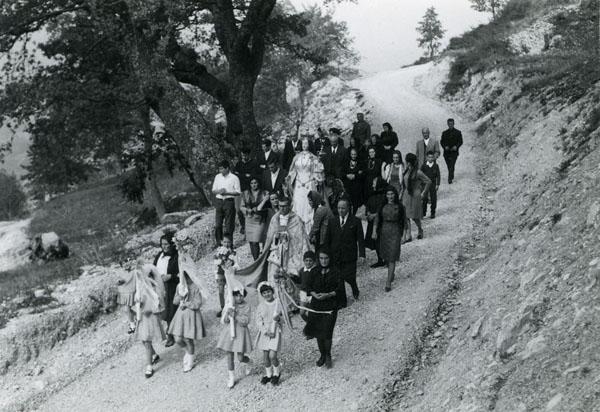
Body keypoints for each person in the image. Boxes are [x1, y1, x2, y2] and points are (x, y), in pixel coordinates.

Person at [303, 250, 342, 369]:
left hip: (330, 306)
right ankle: (322, 355)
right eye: (321, 258)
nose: (324, 261)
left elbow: (340, 289)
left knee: (328, 331)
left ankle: (328, 355)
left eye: (326, 258)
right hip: (316, 306)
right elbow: (308, 286)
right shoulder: (314, 271)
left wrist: (328, 295)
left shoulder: (336, 271)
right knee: (318, 332)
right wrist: (314, 295)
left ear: (330, 258)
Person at [168, 258, 207, 373]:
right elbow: (175, 301)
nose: (186, 278)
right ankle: (188, 352)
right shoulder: (180, 286)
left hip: (191, 314)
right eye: (184, 276)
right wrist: (180, 297)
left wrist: (187, 303)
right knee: (178, 338)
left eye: (187, 276)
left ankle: (190, 359)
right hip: (181, 314)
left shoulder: (195, 287)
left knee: (188, 339)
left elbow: (198, 303)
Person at [326, 198, 365, 305]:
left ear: (348, 208)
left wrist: (362, 254)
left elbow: (360, 239)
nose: (340, 210)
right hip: (336, 255)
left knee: (349, 276)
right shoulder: (332, 221)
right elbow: (327, 239)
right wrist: (327, 254)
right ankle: (342, 302)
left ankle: (354, 286)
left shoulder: (355, 221)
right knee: (339, 279)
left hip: (350, 255)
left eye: (343, 208)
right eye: (339, 208)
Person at [216, 287, 252, 388]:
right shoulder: (230, 305)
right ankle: (231, 377)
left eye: (241, 295)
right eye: (236, 295)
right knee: (230, 356)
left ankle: (248, 361)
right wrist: (228, 313)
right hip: (229, 333)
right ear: (233, 296)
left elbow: (245, 321)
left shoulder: (246, 306)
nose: (239, 298)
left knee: (240, 358)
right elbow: (224, 321)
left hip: (240, 333)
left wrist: (235, 315)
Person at [287, 137, 325, 234]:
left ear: (309, 145)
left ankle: (309, 232)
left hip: (309, 183)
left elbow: (318, 171)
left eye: (306, 144)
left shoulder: (313, 157)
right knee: (298, 205)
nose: (304, 146)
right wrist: (289, 179)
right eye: (303, 144)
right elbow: (292, 171)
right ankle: (297, 231)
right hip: (299, 185)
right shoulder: (296, 157)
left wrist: (317, 178)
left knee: (309, 206)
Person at [134, 264, 166, 378]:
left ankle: (149, 366)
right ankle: (154, 355)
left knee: (147, 341)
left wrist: (148, 309)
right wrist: (138, 303)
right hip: (142, 317)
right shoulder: (140, 288)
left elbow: (156, 301)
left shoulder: (152, 287)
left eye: (140, 275)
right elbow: (138, 300)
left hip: (149, 316)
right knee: (144, 340)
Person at [372, 187, 406, 292]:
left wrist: (404, 235)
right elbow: (377, 219)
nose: (390, 196)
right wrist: (374, 231)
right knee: (386, 255)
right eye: (388, 194)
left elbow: (404, 221)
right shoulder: (382, 206)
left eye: (392, 194)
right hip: (384, 231)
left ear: (395, 195)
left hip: (395, 231)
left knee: (392, 256)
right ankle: (391, 272)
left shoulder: (400, 206)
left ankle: (388, 282)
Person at [255, 282, 283, 386]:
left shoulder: (278, 303)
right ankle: (269, 374)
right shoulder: (261, 306)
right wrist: (266, 332)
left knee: (272, 355)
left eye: (268, 292)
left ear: (272, 292)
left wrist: (279, 318)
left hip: (275, 331)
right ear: (262, 295)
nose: (267, 294)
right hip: (265, 332)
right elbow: (258, 321)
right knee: (265, 356)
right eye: (264, 293)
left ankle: (277, 373)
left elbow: (285, 317)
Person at [153, 234, 179, 347]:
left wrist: (171, 276)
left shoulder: (176, 256)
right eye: (162, 244)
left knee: (173, 309)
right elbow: (153, 268)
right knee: (165, 310)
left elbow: (182, 273)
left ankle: (172, 335)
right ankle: (172, 333)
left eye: (166, 244)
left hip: (173, 286)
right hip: (161, 287)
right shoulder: (159, 255)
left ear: (171, 244)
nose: (164, 246)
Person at [402, 153, 432, 241]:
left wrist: (424, 193)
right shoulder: (406, 170)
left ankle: (420, 229)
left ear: (409, 162)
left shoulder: (418, 172)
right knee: (406, 216)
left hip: (415, 194)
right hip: (407, 194)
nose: (405, 162)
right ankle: (409, 235)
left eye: (406, 161)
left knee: (415, 216)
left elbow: (428, 181)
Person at [212, 160, 241, 246]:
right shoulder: (217, 177)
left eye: (221, 169)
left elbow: (238, 192)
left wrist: (227, 193)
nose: (220, 171)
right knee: (218, 224)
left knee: (229, 224)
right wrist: (219, 191)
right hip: (219, 201)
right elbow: (213, 190)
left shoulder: (234, 178)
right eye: (219, 169)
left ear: (227, 168)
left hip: (229, 201)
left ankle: (229, 244)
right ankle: (219, 243)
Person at [240, 178, 270, 260]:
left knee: (255, 241)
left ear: (258, 183)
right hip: (249, 219)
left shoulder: (264, 193)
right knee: (251, 241)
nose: (254, 185)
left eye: (255, 183)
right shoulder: (245, 193)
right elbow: (241, 207)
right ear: (249, 184)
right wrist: (247, 210)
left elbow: (267, 206)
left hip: (259, 220)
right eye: (252, 183)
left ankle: (257, 261)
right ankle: (255, 260)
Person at [235, 148, 259, 235]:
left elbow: (253, 176)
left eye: (245, 155)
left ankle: (251, 227)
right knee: (238, 209)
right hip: (240, 189)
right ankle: (243, 226)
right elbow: (236, 175)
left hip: (249, 189)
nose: (243, 157)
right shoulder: (239, 164)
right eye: (242, 155)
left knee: (249, 208)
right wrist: (245, 175)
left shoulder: (254, 163)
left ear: (248, 155)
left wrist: (243, 176)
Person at [364, 177, 388, 268]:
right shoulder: (372, 195)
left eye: (374, 183)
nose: (372, 185)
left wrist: (374, 215)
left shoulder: (384, 196)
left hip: (380, 221)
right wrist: (368, 213)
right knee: (376, 241)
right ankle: (380, 259)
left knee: (382, 240)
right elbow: (368, 205)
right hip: (372, 221)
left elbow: (383, 209)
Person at [214, 235, 236, 317]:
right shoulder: (219, 251)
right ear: (221, 242)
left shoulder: (233, 252)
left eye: (228, 242)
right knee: (221, 290)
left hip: (229, 272)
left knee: (231, 289)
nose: (226, 244)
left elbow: (235, 263)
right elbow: (215, 262)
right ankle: (222, 307)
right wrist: (220, 261)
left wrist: (230, 262)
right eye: (225, 242)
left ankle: (232, 305)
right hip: (221, 272)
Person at [308, 190, 333, 256]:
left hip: (324, 236)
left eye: (310, 200)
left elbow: (315, 227)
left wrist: (309, 237)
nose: (309, 203)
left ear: (315, 200)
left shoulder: (320, 210)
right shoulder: (321, 207)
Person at [342, 147, 364, 215]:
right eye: (352, 154)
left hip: (356, 187)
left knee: (355, 203)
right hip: (348, 186)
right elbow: (342, 172)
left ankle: (353, 215)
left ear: (357, 154)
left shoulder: (360, 163)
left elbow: (363, 174)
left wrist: (355, 176)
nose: (353, 156)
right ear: (350, 154)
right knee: (347, 202)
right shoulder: (346, 162)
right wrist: (347, 175)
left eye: (355, 154)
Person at [440, 118, 463, 184]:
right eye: (449, 124)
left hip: (454, 152)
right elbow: (442, 142)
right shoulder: (444, 133)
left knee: (452, 164)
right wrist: (445, 147)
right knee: (449, 165)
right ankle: (451, 174)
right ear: (447, 124)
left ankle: (449, 178)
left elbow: (460, 141)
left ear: (454, 124)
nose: (450, 125)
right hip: (446, 152)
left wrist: (456, 146)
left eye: (452, 124)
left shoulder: (458, 132)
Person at [421, 151, 441, 219]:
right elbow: (420, 175)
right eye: (429, 157)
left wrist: (437, 184)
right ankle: (423, 212)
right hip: (425, 184)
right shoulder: (424, 165)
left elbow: (438, 175)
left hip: (433, 184)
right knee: (424, 198)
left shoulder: (435, 166)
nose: (430, 159)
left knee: (433, 198)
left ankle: (433, 213)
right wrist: (421, 184)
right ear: (426, 158)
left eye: (432, 157)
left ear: (433, 158)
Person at [117, 268, 136, 334]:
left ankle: (133, 326)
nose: (127, 264)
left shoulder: (134, 271)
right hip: (124, 292)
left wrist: (121, 281)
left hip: (132, 292)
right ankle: (134, 324)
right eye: (125, 262)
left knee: (127, 309)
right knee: (127, 310)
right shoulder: (121, 271)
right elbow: (119, 280)